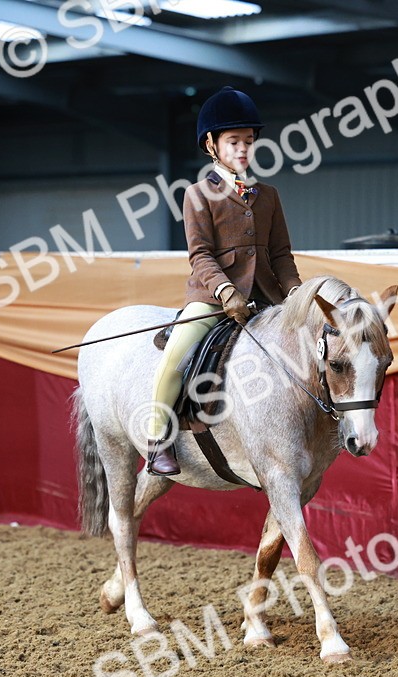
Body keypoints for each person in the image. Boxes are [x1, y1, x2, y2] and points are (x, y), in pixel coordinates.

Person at [145, 86, 303, 476]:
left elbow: (281, 255)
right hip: (214, 299)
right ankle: (157, 438)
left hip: (266, 297)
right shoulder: (197, 195)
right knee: (176, 357)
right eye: (234, 141)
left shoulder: (268, 195)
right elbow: (200, 255)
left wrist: (296, 293)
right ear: (212, 145)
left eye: (248, 141)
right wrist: (226, 291)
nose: (243, 149)